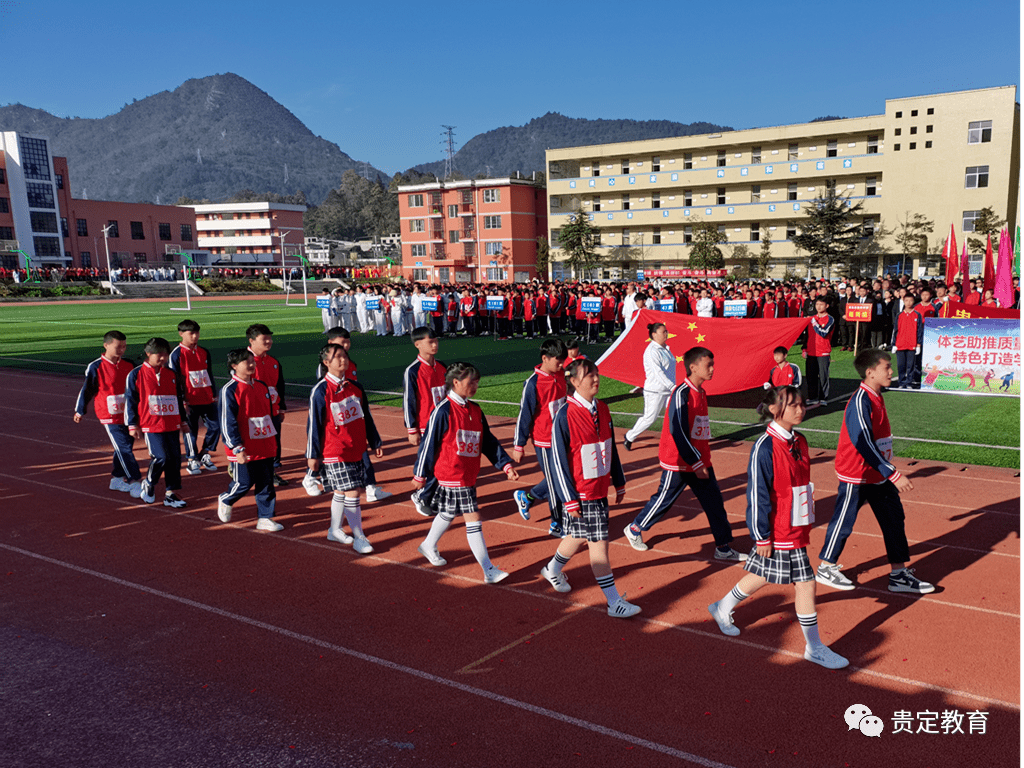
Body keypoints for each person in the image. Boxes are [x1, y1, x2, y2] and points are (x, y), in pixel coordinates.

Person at [707, 385, 849, 669]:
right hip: (779, 529)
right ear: (774, 409)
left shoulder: (800, 441)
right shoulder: (765, 447)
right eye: (793, 404)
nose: (800, 409)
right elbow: (757, 495)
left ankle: (722, 607)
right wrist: (762, 536)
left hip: (795, 525)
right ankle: (815, 647)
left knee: (764, 574)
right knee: (806, 582)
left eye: (801, 403)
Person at [815, 349, 934, 594]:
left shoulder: (877, 396)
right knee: (844, 521)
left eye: (891, 367)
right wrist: (893, 473)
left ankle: (899, 574)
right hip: (856, 473)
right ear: (870, 373)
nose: (892, 372)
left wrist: (885, 471)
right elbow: (863, 442)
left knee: (893, 518)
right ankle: (826, 566)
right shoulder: (861, 400)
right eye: (886, 368)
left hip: (878, 473)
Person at [623, 347, 746, 560]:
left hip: (700, 459)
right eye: (708, 365)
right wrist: (694, 461)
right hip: (678, 460)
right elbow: (677, 430)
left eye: (712, 364)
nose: (712, 369)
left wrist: (702, 459)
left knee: (714, 501)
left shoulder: (702, 392)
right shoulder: (681, 394)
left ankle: (723, 547)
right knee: (665, 499)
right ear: (693, 367)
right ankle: (635, 528)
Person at [542, 358, 640, 618]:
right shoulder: (564, 415)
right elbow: (558, 462)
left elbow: (610, 446)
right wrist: (570, 500)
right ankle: (613, 602)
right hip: (581, 492)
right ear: (573, 382)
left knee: (577, 535)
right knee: (599, 545)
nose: (596, 379)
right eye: (589, 375)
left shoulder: (603, 409)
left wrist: (618, 480)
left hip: (599, 488)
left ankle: (552, 569)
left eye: (596, 374)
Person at [413, 362, 521, 583]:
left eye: (477, 381)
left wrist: (505, 465)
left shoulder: (475, 410)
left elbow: (488, 442)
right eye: (470, 381)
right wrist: (420, 474)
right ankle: (488, 569)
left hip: (468, 474)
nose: (475, 385)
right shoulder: (442, 411)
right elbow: (428, 444)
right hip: (452, 474)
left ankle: (428, 544)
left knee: (448, 513)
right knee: (473, 519)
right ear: (455, 382)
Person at [306, 343, 384, 553]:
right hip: (334, 450)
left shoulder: (355, 388)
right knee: (353, 491)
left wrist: (374, 440)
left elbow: (365, 416)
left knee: (341, 491)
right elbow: (314, 425)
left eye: (345, 356)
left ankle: (334, 529)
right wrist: (312, 455)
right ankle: (359, 536)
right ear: (326, 362)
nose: (343, 360)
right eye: (337, 356)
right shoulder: (320, 391)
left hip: (355, 448)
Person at [216, 349, 282, 531]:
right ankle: (226, 498)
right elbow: (227, 421)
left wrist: (273, 440)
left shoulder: (261, 386)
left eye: (253, 361)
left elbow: (267, 414)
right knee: (243, 482)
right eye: (247, 362)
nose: (252, 365)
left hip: (265, 443)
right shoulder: (230, 390)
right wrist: (237, 447)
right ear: (234, 366)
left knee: (266, 483)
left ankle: (266, 517)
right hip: (244, 446)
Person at [73, 330, 143, 498]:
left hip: (127, 414)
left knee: (124, 447)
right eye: (118, 347)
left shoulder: (129, 365)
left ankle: (117, 479)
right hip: (109, 415)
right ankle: (135, 481)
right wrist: (80, 410)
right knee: (124, 447)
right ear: (106, 345)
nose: (122, 350)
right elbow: (87, 389)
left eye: (124, 347)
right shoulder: (96, 366)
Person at [512, 338, 569, 535]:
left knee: (564, 476)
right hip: (544, 440)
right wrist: (519, 445)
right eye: (558, 361)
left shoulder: (562, 375)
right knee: (554, 481)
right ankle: (557, 521)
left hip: (564, 437)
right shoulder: (533, 384)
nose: (561, 365)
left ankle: (527, 498)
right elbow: (524, 414)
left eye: (563, 361)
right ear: (545, 358)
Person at [124, 337, 189, 507]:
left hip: (172, 423)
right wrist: (133, 424)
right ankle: (150, 482)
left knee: (175, 458)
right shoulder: (136, 374)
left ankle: (171, 493)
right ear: (148, 354)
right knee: (160, 457)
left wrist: (183, 421)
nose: (162, 358)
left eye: (165, 355)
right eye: (158, 355)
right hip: (151, 424)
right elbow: (131, 401)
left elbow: (177, 399)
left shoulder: (172, 375)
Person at [403, 326, 447, 516]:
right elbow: (409, 401)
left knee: (444, 461)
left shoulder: (443, 367)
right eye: (430, 342)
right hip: (425, 424)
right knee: (430, 462)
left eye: (436, 340)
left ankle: (430, 494)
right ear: (418, 344)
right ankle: (422, 494)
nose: (435, 345)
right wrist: (411, 429)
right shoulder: (413, 371)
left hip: (444, 423)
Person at [170, 319, 220, 476]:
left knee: (216, 426)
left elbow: (208, 373)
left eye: (197, 332)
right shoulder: (176, 355)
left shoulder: (204, 352)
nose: (195, 336)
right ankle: (192, 460)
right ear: (181, 334)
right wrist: (181, 399)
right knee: (191, 431)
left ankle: (204, 454)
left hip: (206, 398)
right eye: (191, 333)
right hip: (189, 400)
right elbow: (174, 379)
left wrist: (213, 393)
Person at [246, 324, 288, 487]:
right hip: (253, 412)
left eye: (270, 338)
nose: (269, 342)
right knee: (254, 444)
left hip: (273, 410)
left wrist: (282, 406)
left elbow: (280, 385)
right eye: (264, 339)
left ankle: (271, 473)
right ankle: (243, 469)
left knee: (273, 444)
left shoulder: (273, 362)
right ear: (252, 341)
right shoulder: (243, 361)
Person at [623, 323, 676, 451]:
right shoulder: (651, 351)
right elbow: (658, 373)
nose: (666, 334)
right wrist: (672, 386)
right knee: (650, 418)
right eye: (663, 332)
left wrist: (672, 387)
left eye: (666, 331)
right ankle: (630, 437)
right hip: (655, 391)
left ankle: (675, 441)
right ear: (654, 335)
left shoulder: (665, 349)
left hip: (668, 391)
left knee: (674, 414)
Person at [801, 298, 834, 406]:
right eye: (817, 304)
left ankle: (823, 397)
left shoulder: (830, 319)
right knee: (811, 376)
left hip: (823, 351)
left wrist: (814, 323)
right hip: (811, 351)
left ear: (827, 306)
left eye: (821, 304)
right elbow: (807, 335)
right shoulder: (812, 319)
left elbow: (824, 333)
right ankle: (812, 397)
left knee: (823, 376)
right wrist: (804, 348)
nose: (818, 306)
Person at [891, 294, 924, 389]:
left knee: (910, 365)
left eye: (911, 300)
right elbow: (895, 330)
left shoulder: (917, 315)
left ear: (913, 302)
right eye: (906, 300)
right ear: (903, 301)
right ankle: (901, 382)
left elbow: (919, 330)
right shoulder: (899, 315)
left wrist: (918, 344)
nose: (908, 303)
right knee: (901, 365)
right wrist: (894, 344)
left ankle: (909, 382)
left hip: (912, 344)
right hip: (900, 344)